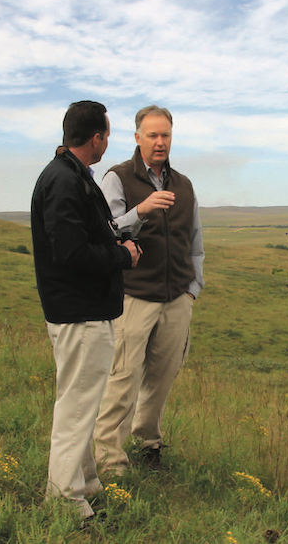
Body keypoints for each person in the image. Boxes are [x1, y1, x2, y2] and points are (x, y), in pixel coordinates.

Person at [31, 100, 141, 519]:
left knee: (80, 403)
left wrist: (116, 244)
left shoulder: (71, 175)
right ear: (96, 137)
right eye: (106, 135)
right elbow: (71, 253)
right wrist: (122, 257)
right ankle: (64, 501)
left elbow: (80, 241)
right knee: (77, 410)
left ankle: (85, 484)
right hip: (80, 313)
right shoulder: (63, 181)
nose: (106, 143)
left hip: (83, 310)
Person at [94, 104, 205, 474]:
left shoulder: (184, 185)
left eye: (166, 135)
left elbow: (195, 240)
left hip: (176, 298)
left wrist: (193, 288)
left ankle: (149, 444)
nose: (160, 142)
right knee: (122, 378)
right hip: (133, 296)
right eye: (153, 135)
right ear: (137, 137)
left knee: (161, 377)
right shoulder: (117, 178)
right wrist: (140, 211)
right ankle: (109, 462)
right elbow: (104, 231)